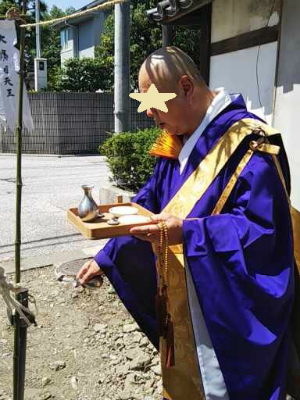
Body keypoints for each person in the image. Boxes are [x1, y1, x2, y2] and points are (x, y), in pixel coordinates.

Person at [76, 46, 295, 400]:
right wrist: (106, 254)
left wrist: (188, 233)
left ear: (186, 87)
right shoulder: (177, 141)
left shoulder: (250, 145)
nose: (146, 112)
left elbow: (264, 232)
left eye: (153, 100)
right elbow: (149, 201)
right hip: (184, 296)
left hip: (221, 306)